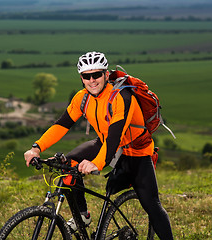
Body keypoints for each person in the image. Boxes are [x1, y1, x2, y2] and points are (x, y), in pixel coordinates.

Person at [24, 51, 174, 239]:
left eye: (97, 75)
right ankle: (82, 215)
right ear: (82, 78)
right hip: (105, 143)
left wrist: (97, 163)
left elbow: (115, 137)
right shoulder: (82, 98)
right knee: (68, 163)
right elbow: (62, 125)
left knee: (151, 204)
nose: (92, 80)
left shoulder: (121, 97)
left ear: (105, 74)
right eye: (87, 76)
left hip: (135, 150)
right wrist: (36, 147)